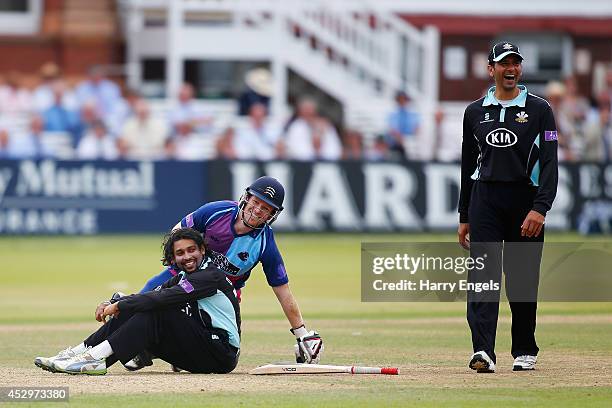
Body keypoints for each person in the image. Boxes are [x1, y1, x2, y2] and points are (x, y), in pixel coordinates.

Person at [131, 176, 322, 369]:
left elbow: (283, 291)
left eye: (265, 208)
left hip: (220, 297)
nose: (257, 210)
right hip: (182, 276)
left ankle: (173, 352)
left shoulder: (265, 244)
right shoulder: (215, 211)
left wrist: (302, 333)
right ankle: (142, 346)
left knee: (218, 344)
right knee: (143, 300)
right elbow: (177, 232)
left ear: (272, 214)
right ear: (246, 198)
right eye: (256, 202)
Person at [458, 42, 558, 373]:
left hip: (525, 201)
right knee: (483, 277)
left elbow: (550, 164)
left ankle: (525, 348)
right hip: (485, 200)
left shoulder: (541, 109)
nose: (511, 69)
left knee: (522, 279)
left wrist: (540, 208)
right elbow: (467, 164)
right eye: (504, 63)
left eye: (515, 63)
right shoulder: (474, 112)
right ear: (491, 69)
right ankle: (483, 350)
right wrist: (464, 215)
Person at [34, 228, 241, 375]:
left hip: (221, 353)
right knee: (140, 307)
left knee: (158, 309)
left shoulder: (209, 276)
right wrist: (115, 302)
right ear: (173, 257)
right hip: (201, 348)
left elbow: (161, 299)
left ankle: (93, 359)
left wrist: (121, 305)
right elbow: (150, 294)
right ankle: (79, 353)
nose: (187, 256)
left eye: (191, 250)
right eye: (180, 253)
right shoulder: (182, 277)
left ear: (202, 250)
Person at [385, 90, 420, 158]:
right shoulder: (392, 114)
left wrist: (406, 140)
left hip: (410, 142)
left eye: (404, 99)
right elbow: (392, 130)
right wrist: (400, 139)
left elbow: (416, 128)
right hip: (396, 144)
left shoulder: (413, 114)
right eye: (400, 99)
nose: (402, 101)